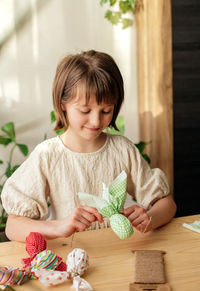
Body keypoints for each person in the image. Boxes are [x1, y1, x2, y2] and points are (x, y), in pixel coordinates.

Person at [2, 50, 176, 242]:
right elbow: (13, 227)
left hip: (116, 255)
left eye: (106, 110)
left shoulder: (123, 150)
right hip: (69, 261)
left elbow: (167, 204)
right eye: (85, 110)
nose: (95, 121)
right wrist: (60, 226)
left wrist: (149, 217)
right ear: (62, 104)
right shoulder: (47, 155)